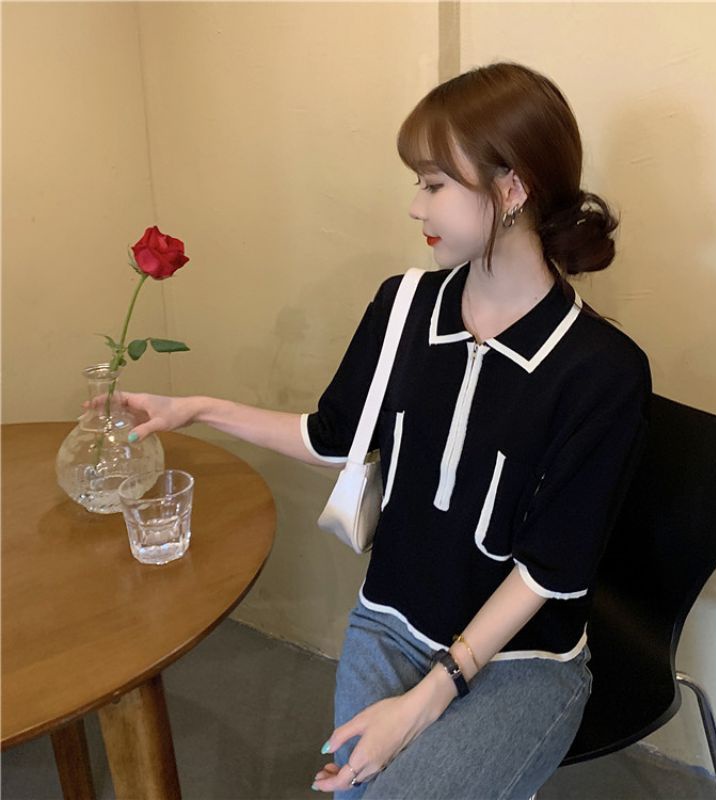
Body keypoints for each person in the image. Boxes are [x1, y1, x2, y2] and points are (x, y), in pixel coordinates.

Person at [86, 62, 652, 800]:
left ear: (511, 189)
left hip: (522, 659)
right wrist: (197, 408)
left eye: (434, 184)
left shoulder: (601, 369)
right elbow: (334, 438)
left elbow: (552, 569)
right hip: (389, 622)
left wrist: (426, 701)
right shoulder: (403, 307)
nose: (416, 206)